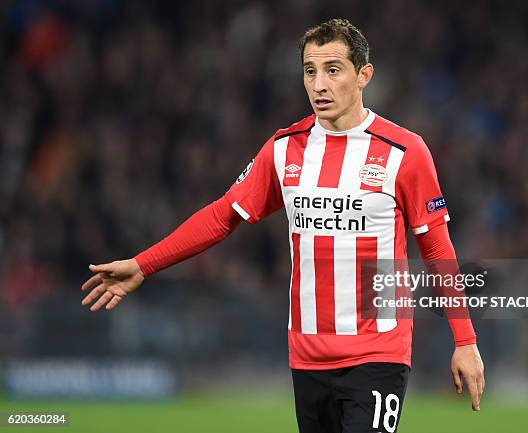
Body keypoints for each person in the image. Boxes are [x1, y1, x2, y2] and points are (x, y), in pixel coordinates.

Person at [81, 18, 484, 433]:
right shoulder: (284, 148)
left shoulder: (405, 152)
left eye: (333, 69)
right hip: (306, 357)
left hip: (377, 354)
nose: (319, 84)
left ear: (364, 75)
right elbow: (222, 217)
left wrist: (465, 341)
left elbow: (436, 249)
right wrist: (144, 264)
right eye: (310, 71)